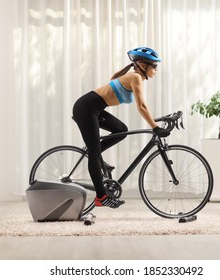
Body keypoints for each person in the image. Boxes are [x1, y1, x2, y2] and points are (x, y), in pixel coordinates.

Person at [72, 47, 170, 208]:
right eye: (154, 66)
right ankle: (101, 197)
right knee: (95, 153)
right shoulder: (136, 77)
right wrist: (155, 127)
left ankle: (96, 157)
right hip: (86, 108)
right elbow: (142, 106)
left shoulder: (132, 76)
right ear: (143, 66)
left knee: (121, 130)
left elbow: (112, 80)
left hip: (94, 108)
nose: (156, 70)